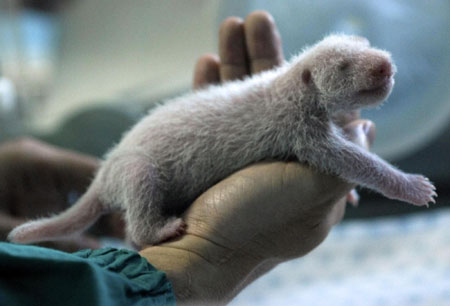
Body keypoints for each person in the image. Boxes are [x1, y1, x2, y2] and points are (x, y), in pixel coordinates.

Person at [0, 11, 375, 305]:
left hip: (166, 169)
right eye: (343, 67)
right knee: (135, 174)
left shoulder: (295, 107)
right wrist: (203, 258)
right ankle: (145, 229)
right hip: (143, 170)